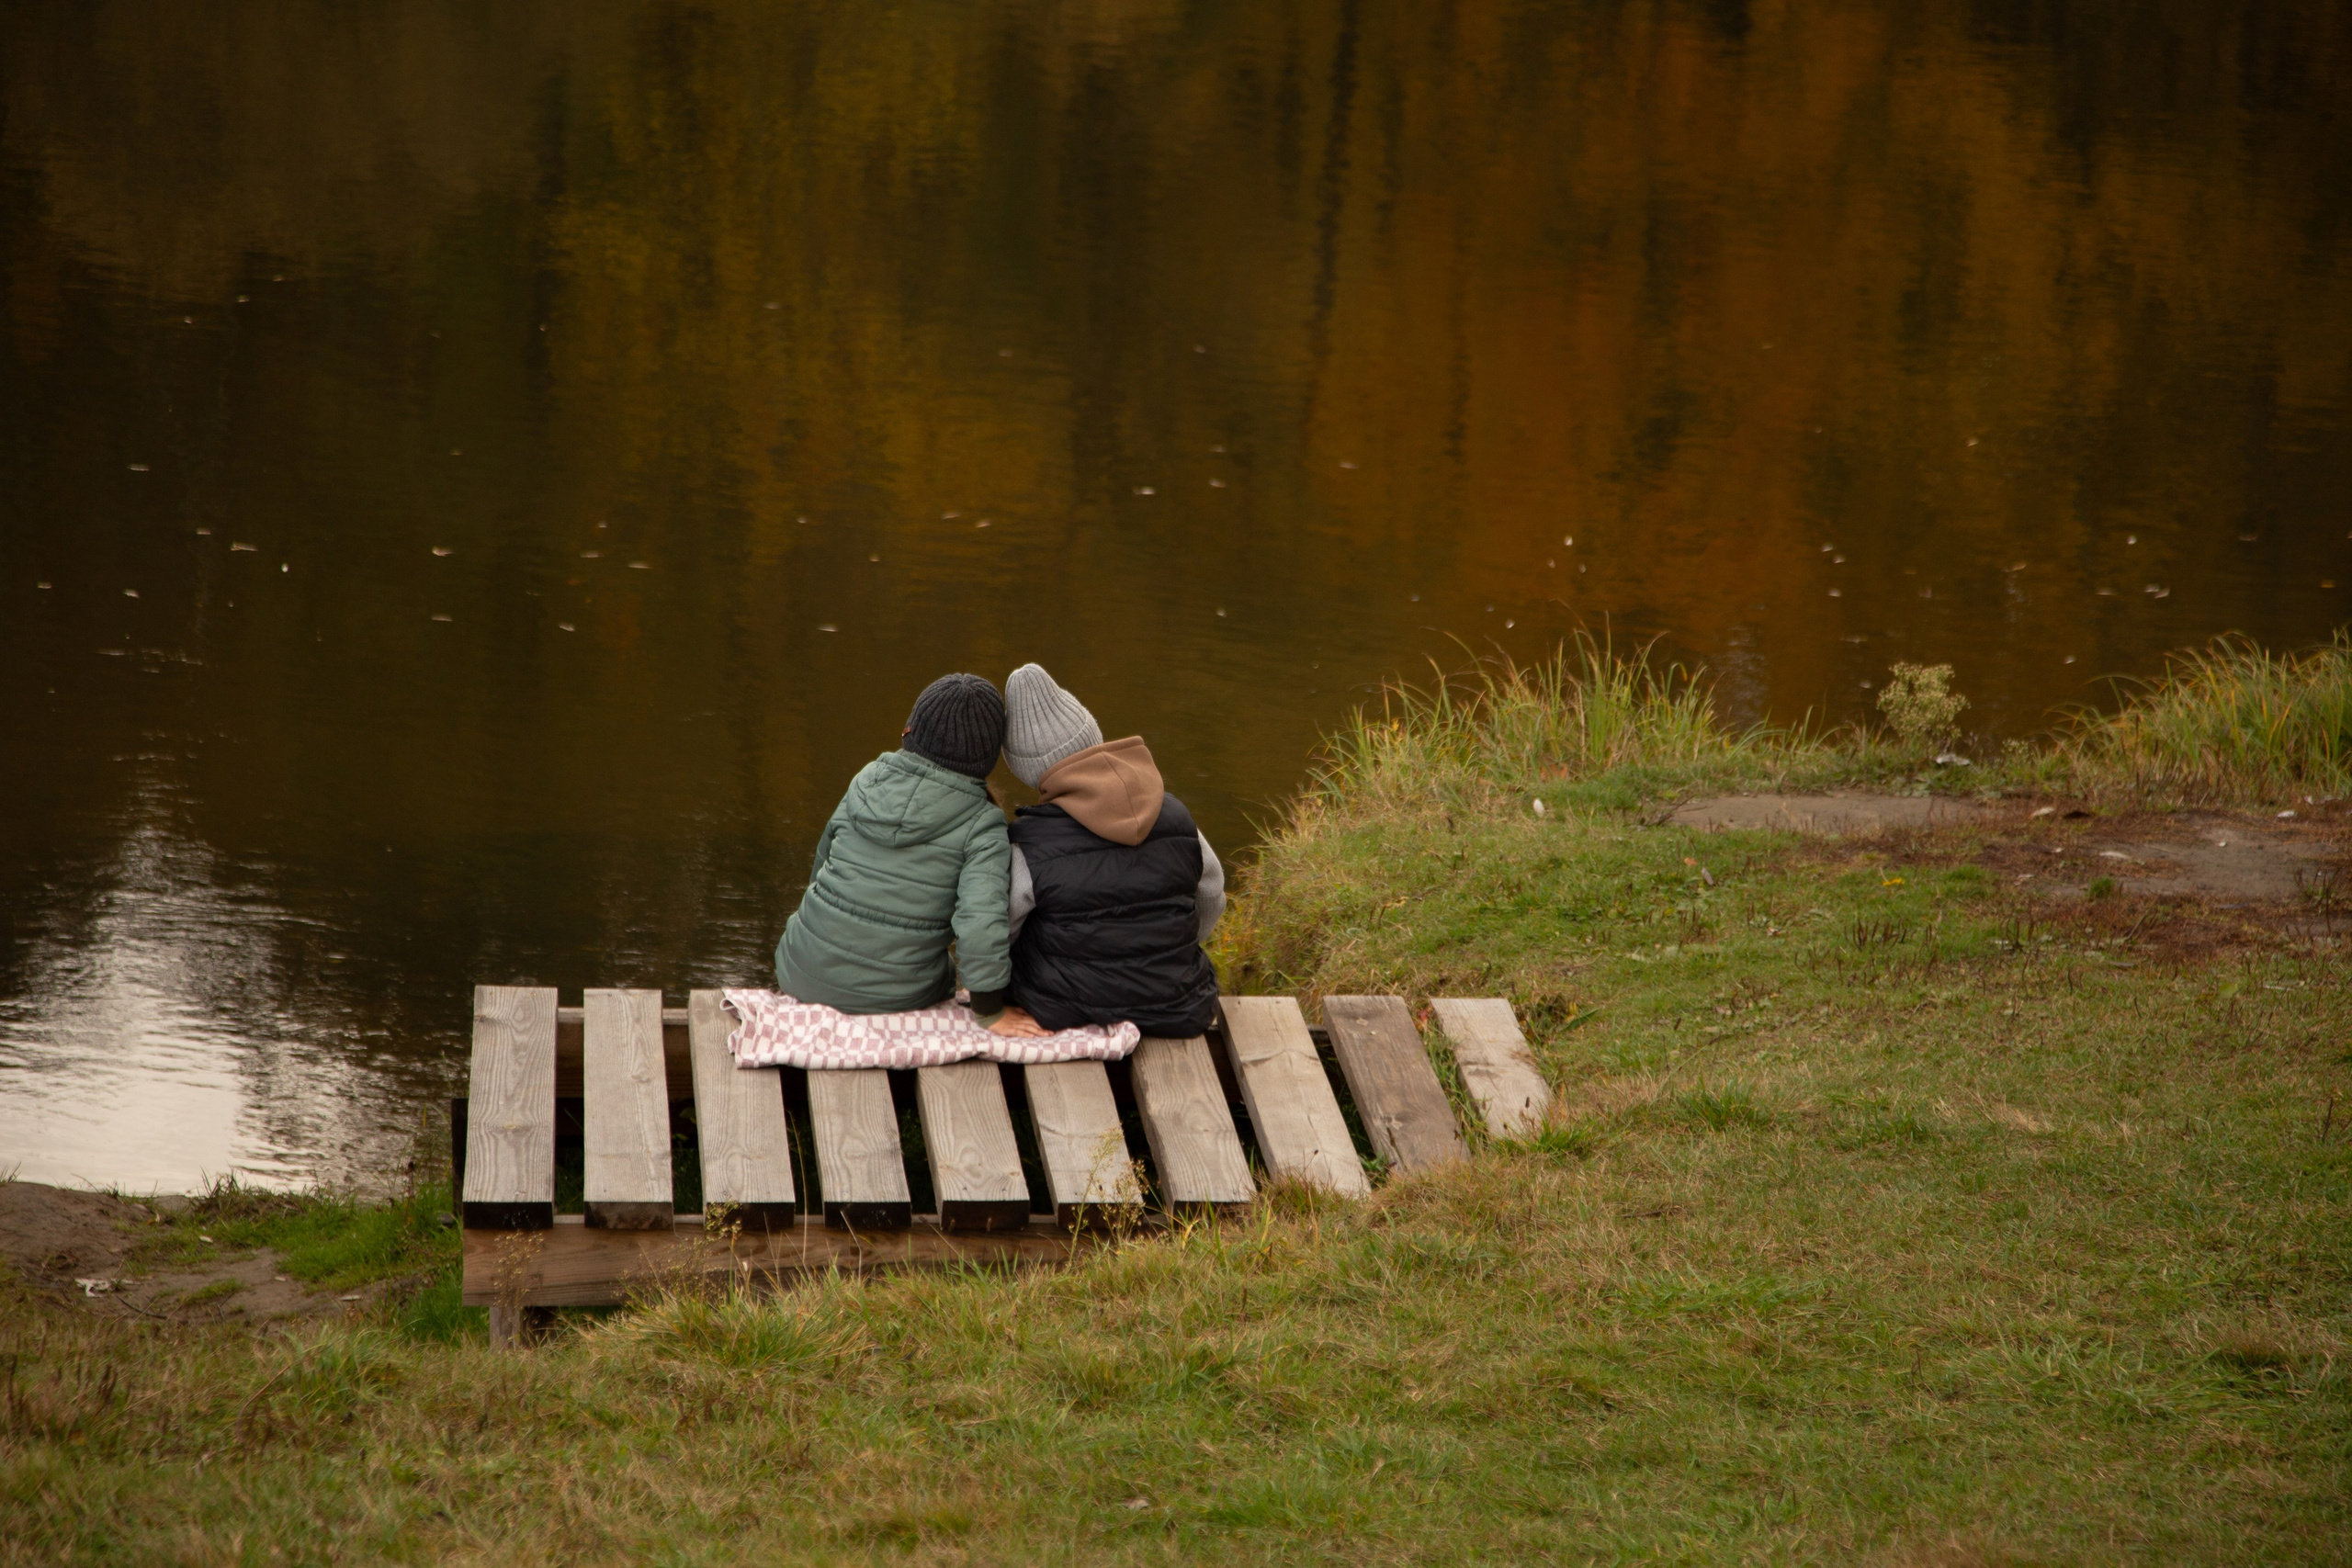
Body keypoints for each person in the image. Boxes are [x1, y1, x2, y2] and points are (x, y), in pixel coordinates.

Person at [774, 673, 1045, 1037]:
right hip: (896, 998)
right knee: (940, 971)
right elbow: (980, 923)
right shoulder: (983, 824)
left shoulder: (867, 780)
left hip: (798, 970)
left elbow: (822, 866)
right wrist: (989, 1012)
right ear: (987, 757)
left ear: (910, 731)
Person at [999, 663, 1224, 1036]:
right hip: (1180, 1005)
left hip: (1059, 1008)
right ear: (1093, 735)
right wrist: (1164, 952)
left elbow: (1003, 928)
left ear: (1028, 771)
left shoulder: (1028, 844)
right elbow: (1212, 894)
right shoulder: (1175, 815)